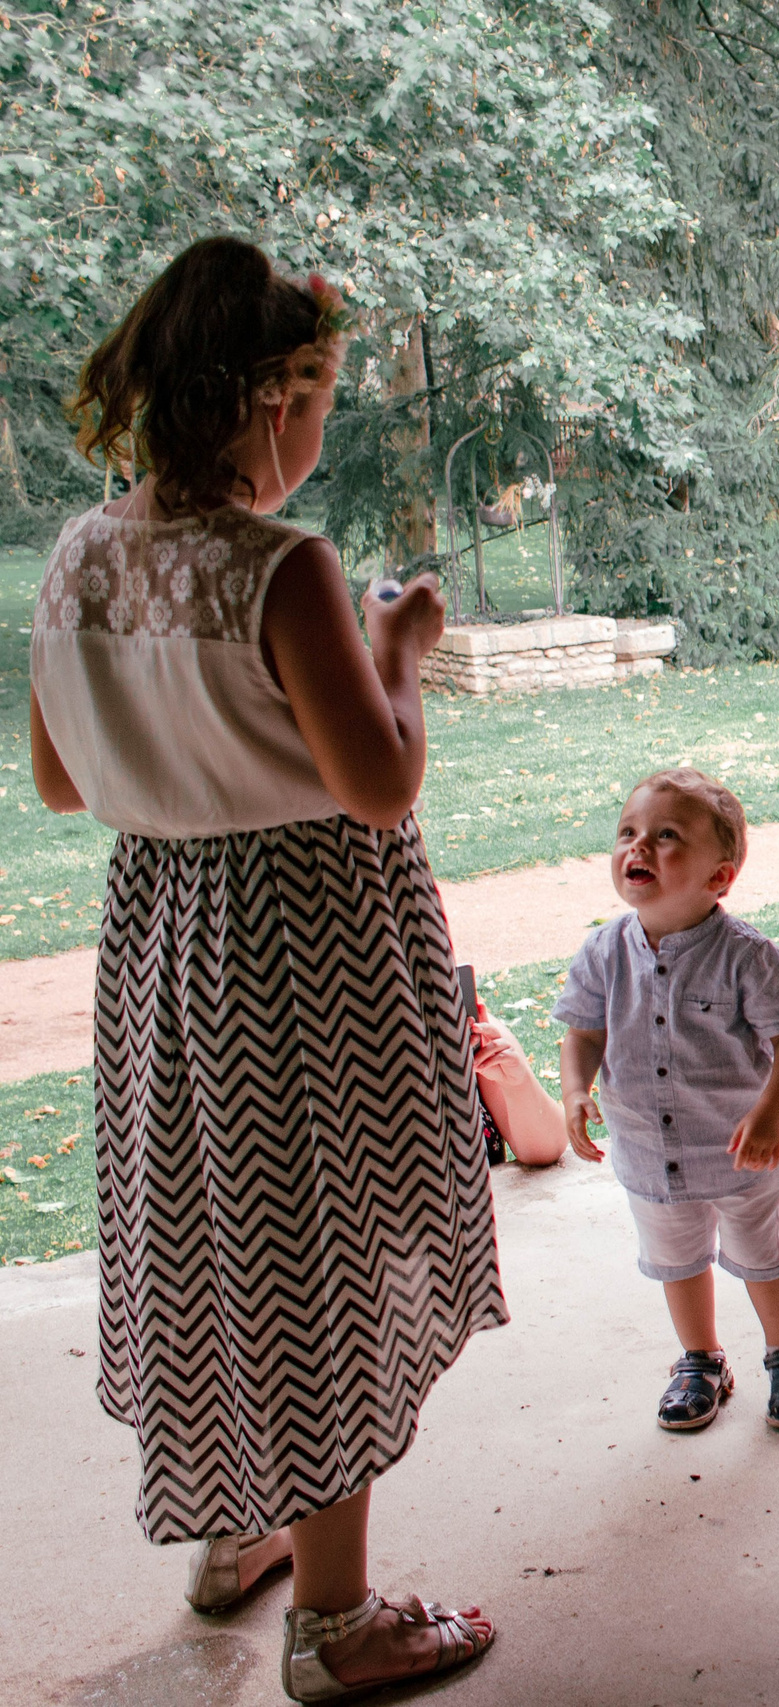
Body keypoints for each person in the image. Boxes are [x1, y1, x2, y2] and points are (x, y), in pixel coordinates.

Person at [28, 236, 504, 1700]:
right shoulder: (282, 566)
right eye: (318, 397)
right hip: (311, 948)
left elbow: (58, 779)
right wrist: (400, 646)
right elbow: (376, 783)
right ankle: (339, 1619)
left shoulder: (81, 553)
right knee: (332, 1252)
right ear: (266, 398)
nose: (319, 430)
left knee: (224, 1237)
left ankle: (236, 1534)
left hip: (167, 934)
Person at [555, 769, 779, 1430]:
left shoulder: (746, 956)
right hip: (650, 1151)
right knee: (677, 1261)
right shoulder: (603, 950)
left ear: (720, 876)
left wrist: (769, 1114)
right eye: (628, 832)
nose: (637, 847)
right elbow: (583, 1031)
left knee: (762, 1254)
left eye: (666, 836)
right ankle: (700, 1359)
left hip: (741, 1149)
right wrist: (573, 1089)